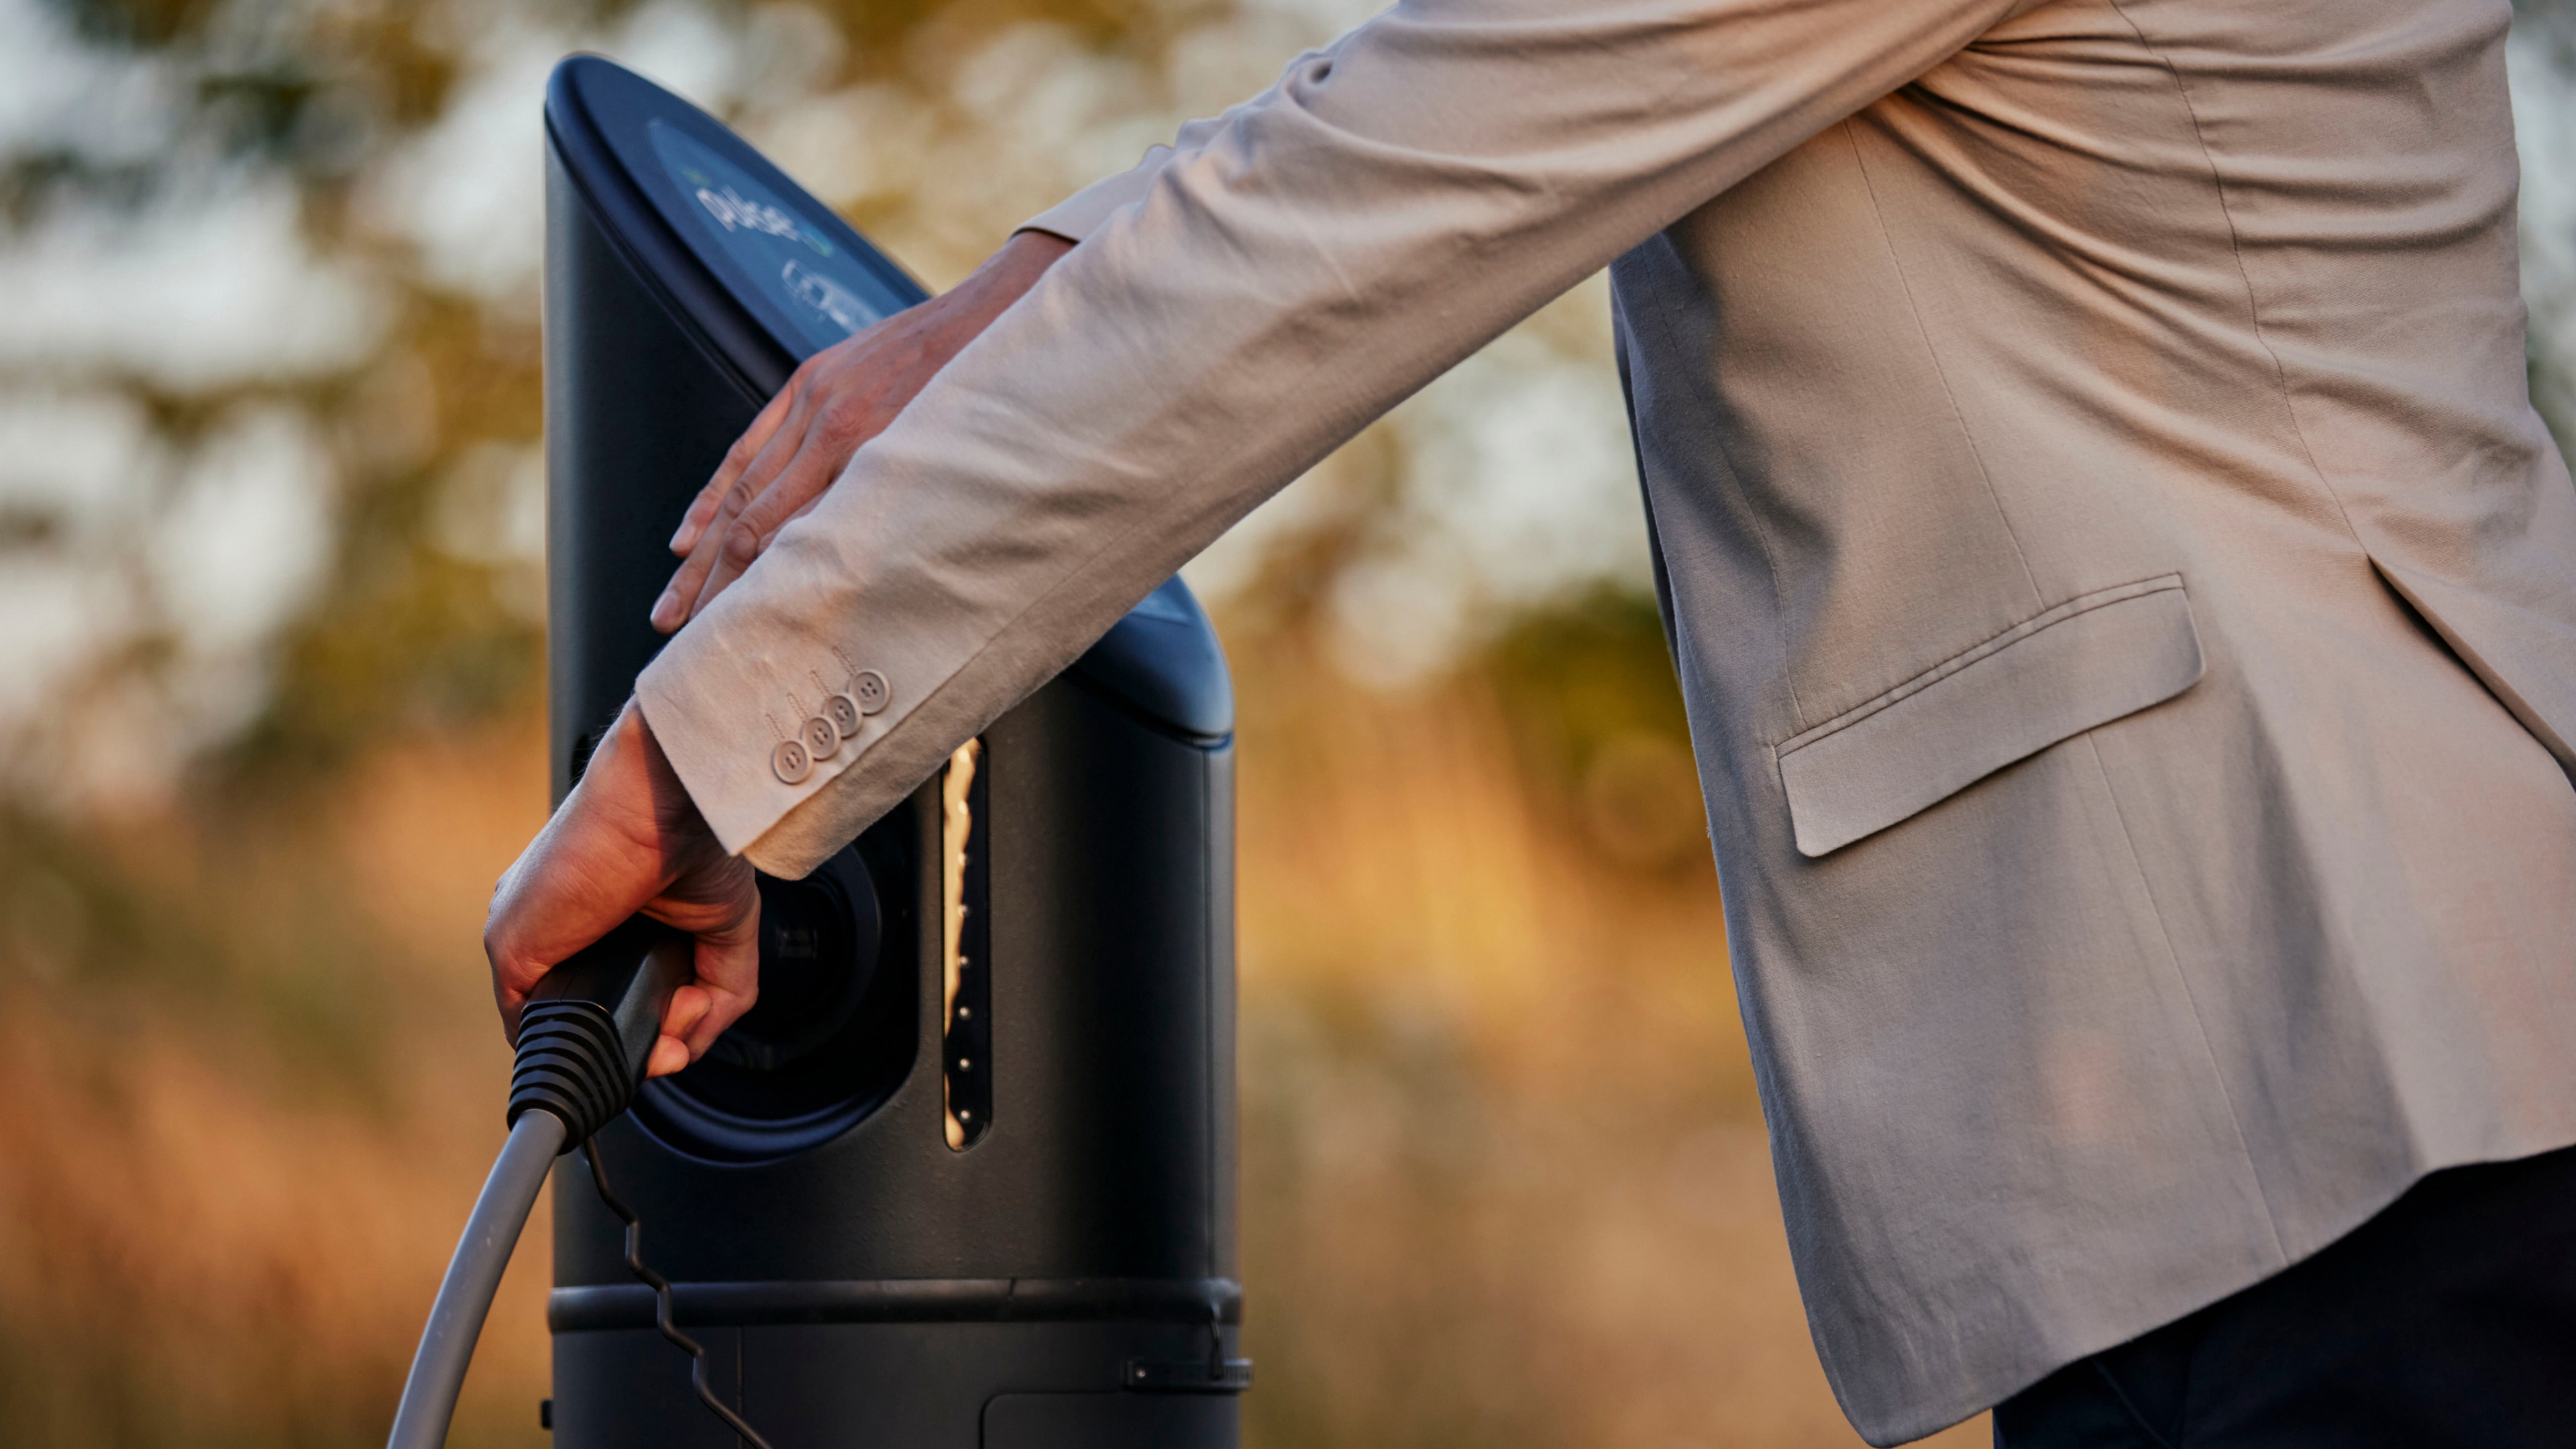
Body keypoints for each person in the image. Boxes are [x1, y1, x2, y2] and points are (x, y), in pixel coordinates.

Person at [482, 0, 2576, 1441]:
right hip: (2340, 1077)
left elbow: (1407, 179)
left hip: (2330, 1069)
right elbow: (1460, 91)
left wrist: (713, 756)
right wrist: (989, 316)